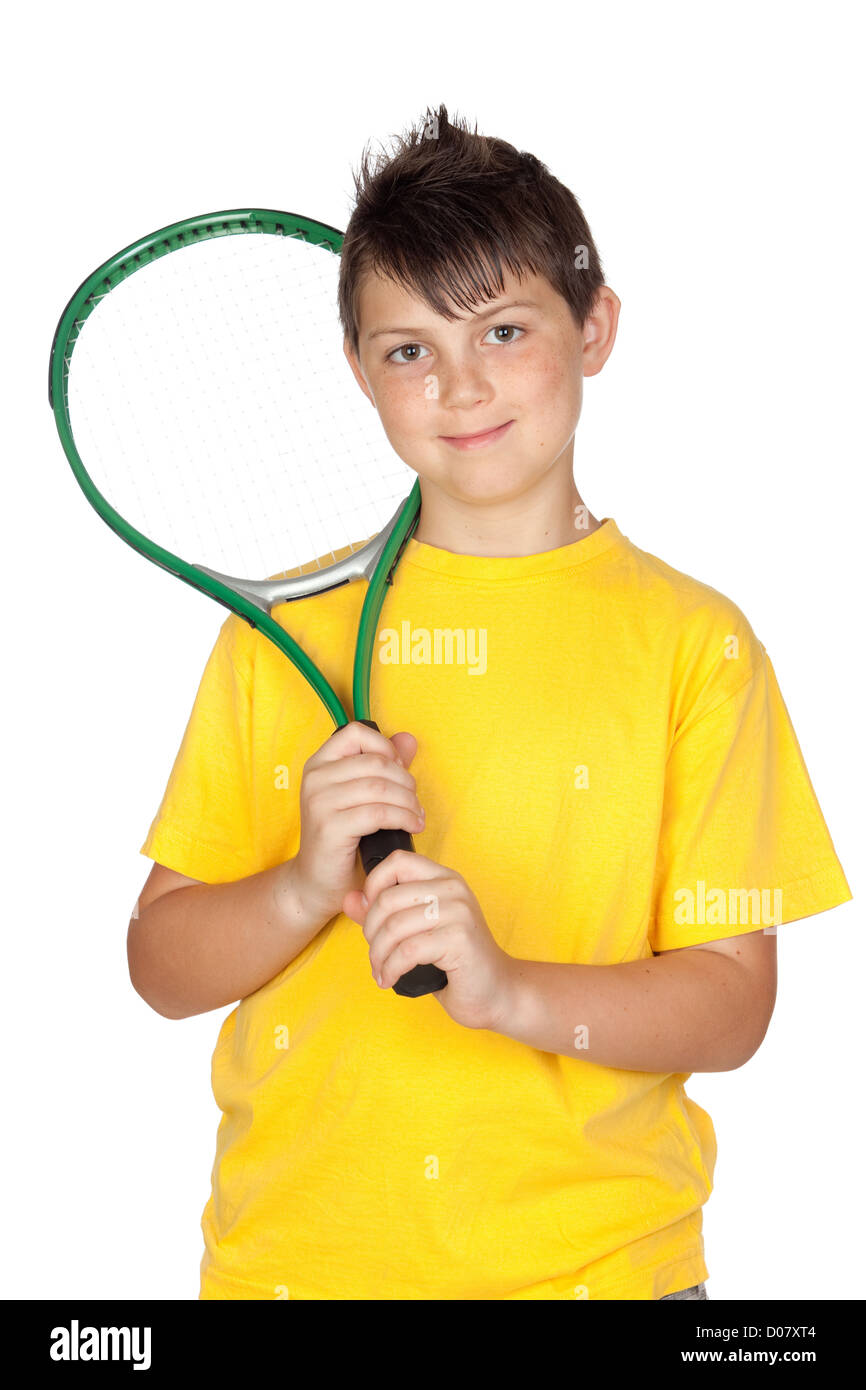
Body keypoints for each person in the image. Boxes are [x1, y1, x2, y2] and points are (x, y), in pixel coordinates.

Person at [129, 104, 851, 1300]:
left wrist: (507, 989)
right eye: (408, 349)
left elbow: (729, 1010)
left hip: (598, 1277)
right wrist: (306, 883)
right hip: (296, 1272)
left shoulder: (694, 648)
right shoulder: (280, 634)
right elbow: (162, 966)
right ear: (359, 372)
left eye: (503, 329)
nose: (459, 387)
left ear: (593, 326)